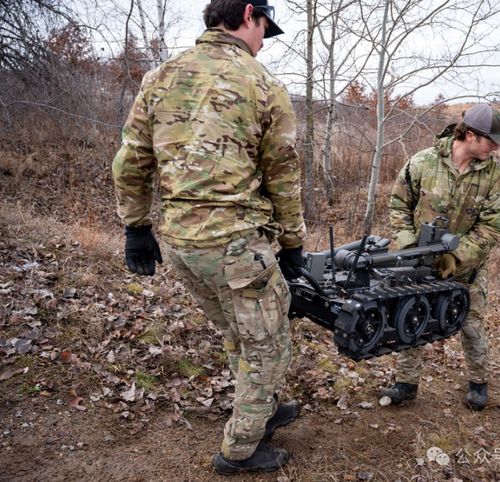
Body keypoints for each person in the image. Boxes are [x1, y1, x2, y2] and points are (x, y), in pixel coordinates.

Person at [112, 0, 307, 475]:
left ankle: (259, 410)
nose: (264, 40)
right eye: (265, 27)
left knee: (238, 332)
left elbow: (131, 161)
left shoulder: (160, 76)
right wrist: (294, 243)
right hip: (238, 245)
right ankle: (241, 450)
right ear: (247, 15)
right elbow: (282, 173)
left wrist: (136, 227)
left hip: (181, 244)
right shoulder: (263, 84)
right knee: (269, 344)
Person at [382, 103, 500, 411]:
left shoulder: (496, 177)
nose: (496, 147)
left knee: (471, 325)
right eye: (491, 140)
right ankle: (406, 383)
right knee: (411, 319)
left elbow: (491, 228)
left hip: (466, 271)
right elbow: (398, 206)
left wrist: (457, 257)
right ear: (470, 135)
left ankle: (478, 382)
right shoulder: (423, 163)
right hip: (417, 264)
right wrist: (408, 245)